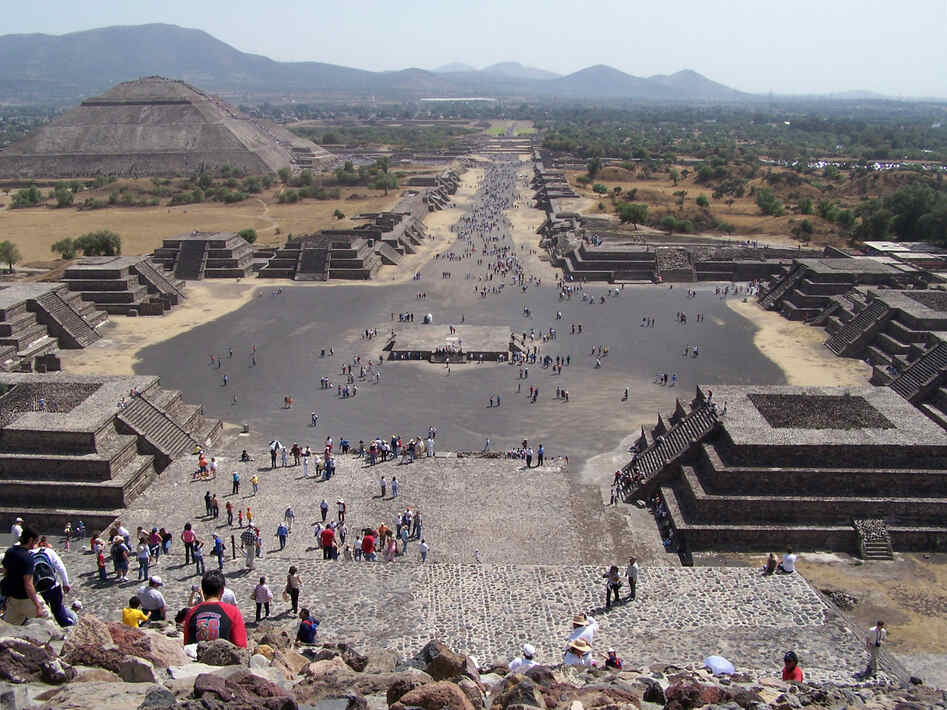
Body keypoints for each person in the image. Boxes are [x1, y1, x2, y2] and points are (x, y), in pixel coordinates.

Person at [182, 570, 247, 647]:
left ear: (203, 590)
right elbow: (241, 645)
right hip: (223, 656)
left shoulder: (191, 613)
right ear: (222, 591)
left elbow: (186, 644)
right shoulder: (233, 612)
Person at [1, 525, 50, 624]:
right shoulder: (27, 558)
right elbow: (28, 585)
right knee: (48, 620)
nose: (36, 544)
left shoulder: (10, 552)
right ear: (30, 540)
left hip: (12, 599)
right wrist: (37, 606)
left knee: (10, 627)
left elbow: (6, 572)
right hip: (26, 600)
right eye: (36, 541)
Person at [32, 542, 74, 626]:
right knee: (58, 609)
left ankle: (48, 627)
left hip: (39, 590)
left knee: (45, 611)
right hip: (53, 586)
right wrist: (66, 583)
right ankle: (65, 626)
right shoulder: (48, 551)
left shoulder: (28, 554)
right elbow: (61, 568)